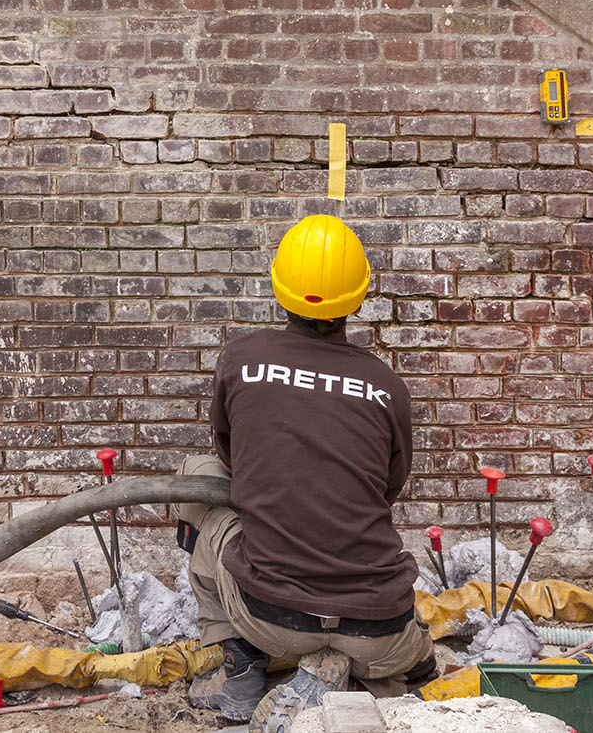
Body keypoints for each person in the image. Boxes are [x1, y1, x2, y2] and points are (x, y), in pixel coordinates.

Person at [179, 214, 437, 733]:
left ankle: (240, 664)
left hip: (271, 621)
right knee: (403, 663)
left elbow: (229, 459)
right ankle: (375, 678)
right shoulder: (386, 385)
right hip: (382, 633)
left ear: (280, 290)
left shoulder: (242, 359)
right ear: (358, 299)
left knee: (197, 477)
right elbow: (389, 486)